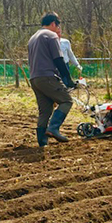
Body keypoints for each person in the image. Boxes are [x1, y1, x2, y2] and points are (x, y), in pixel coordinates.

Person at [28, 12, 76, 146]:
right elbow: (58, 59)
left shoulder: (33, 38)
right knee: (66, 100)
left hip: (34, 78)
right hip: (47, 76)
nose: (58, 29)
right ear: (54, 23)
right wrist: (68, 79)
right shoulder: (51, 35)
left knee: (45, 110)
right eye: (58, 26)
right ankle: (53, 128)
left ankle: (42, 142)